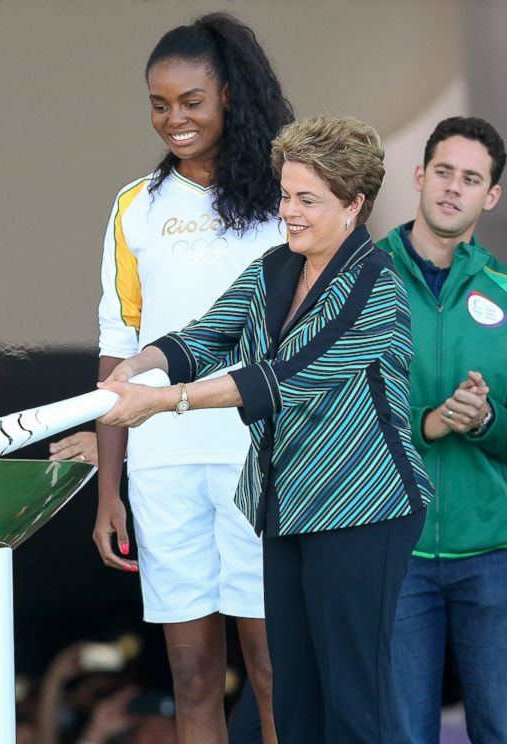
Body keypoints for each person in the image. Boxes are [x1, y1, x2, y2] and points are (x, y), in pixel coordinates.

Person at [98, 115, 435, 744]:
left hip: (361, 510)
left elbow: (281, 378)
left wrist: (162, 402)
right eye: (286, 195)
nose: (289, 211)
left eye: (308, 199)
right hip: (284, 507)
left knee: (353, 703)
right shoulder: (275, 267)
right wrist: (134, 366)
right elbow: (207, 333)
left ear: (354, 205)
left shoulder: (377, 285)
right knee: (296, 698)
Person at [94, 13, 292, 743]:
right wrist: (109, 489)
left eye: (191, 101)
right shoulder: (134, 207)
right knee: (192, 676)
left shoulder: (283, 198)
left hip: (262, 459)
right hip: (162, 465)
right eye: (159, 103)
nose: (173, 119)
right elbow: (118, 349)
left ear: (231, 96)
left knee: (272, 670)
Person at [378, 117, 507, 744]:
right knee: (404, 735)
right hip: (393, 549)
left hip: (493, 554)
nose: (454, 188)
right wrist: (426, 423)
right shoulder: (360, 280)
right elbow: (329, 416)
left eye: (472, 178)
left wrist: (486, 421)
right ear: (419, 176)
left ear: (492, 195)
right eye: (444, 172)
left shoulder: (506, 294)